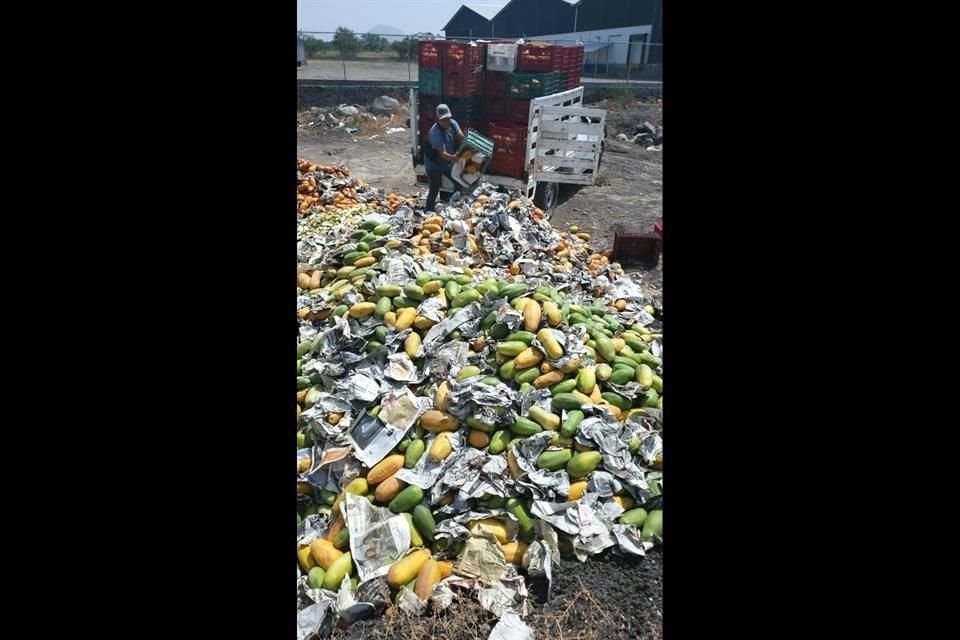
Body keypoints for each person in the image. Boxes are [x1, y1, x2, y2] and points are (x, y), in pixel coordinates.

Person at [424, 103, 465, 212]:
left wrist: (466, 148)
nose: (446, 122)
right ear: (438, 120)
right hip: (434, 165)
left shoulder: (453, 123)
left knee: (458, 181)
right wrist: (455, 158)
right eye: (443, 120)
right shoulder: (435, 132)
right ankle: (428, 210)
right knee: (434, 189)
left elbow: (461, 137)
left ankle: (456, 206)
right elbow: (443, 154)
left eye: (448, 119)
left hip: (446, 162)